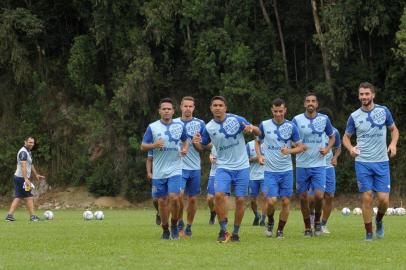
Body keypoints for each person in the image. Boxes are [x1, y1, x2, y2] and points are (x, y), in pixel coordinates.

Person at [193, 96, 260, 243]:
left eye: (220, 105)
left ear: (225, 107)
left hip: (242, 167)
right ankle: (223, 230)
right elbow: (202, 147)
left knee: (241, 200)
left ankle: (235, 233)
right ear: (211, 108)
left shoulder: (237, 119)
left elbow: (258, 132)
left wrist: (252, 128)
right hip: (223, 167)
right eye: (215, 105)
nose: (217, 107)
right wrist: (195, 142)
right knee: (218, 196)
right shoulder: (208, 127)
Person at [342, 82, 398, 241]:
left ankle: (379, 220)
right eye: (361, 94)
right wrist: (351, 148)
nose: (364, 97)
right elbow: (346, 137)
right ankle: (368, 233)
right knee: (367, 197)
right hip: (363, 162)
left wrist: (393, 144)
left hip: (382, 162)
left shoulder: (383, 111)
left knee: (383, 200)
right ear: (359, 96)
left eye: (367, 94)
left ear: (373, 95)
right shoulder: (354, 116)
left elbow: (394, 130)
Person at [141, 98, 189, 240]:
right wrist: (154, 145)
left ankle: (174, 225)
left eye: (169, 109)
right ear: (160, 111)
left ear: (173, 111)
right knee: (161, 201)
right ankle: (165, 229)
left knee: (174, 198)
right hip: (159, 171)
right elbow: (143, 146)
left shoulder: (179, 126)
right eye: (164, 109)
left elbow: (186, 140)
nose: (167, 111)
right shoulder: (153, 127)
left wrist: (185, 149)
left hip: (175, 168)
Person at [256, 98, 303, 238]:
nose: (278, 114)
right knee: (271, 201)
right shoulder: (264, 125)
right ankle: (270, 221)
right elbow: (257, 143)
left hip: (286, 170)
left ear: (285, 110)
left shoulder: (291, 126)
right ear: (272, 110)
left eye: (280, 111)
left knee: (286, 201)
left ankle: (280, 230)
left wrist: (289, 151)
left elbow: (301, 147)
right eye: (275, 111)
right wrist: (259, 156)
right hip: (270, 171)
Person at [292, 93, 335, 237]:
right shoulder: (297, 120)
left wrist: (327, 149)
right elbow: (290, 138)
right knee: (303, 197)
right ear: (304, 104)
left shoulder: (324, 119)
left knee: (318, 195)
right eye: (308, 101)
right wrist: (297, 145)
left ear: (317, 104)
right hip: (302, 164)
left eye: (313, 101)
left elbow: (332, 137)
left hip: (319, 164)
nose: (310, 103)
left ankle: (317, 221)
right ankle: (307, 227)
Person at [174, 96, 205, 237]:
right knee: (179, 196)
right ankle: (179, 222)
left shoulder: (200, 124)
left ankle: (189, 226)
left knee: (192, 199)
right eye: (185, 106)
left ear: (194, 108)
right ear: (180, 107)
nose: (187, 109)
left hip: (194, 167)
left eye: (190, 106)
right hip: (177, 167)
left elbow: (203, 147)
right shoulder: (173, 123)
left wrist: (197, 142)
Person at [5, 136, 45, 222]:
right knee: (29, 196)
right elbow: (23, 166)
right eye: (30, 142)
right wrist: (26, 179)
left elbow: (30, 164)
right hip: (21, 178)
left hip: (19, 178)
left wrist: (36, 174)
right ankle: (33, 216)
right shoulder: (23, 152)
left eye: (33, 143)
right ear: (25, 142)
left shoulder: (28, 152)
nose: (31, 144)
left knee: (18, 196)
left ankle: (9, 216)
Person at [318, 108, 341, 234]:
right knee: (317, 196)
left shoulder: (335, 132)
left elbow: (338, 147)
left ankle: (323, 224)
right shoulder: (313, 130)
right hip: (316, 167)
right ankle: (313, 221)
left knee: (330, 196)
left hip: (328, 168)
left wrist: (335, 157)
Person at [246, 140, 266, 226]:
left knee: (265, 196)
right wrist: (257, 158)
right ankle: (257, 215)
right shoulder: (249, 145)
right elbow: (245, 160)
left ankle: (263, 219)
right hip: (253, 177)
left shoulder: (269, 142)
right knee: (253, 200)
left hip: (266, 175)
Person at [146, 151, 160, 225]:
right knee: (155, 199)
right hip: (157, 176)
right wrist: (149, 172)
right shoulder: (154, 144)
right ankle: (159, 212)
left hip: (171, 175)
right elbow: (149, 159)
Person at [207, 146, 217, 225]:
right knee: (210, 198)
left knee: (222, 197)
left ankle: (224, 219)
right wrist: (210, 157)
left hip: (226, 174)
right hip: (213, 174)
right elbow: (211, 155)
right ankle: (213, 213)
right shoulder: (214, 146)